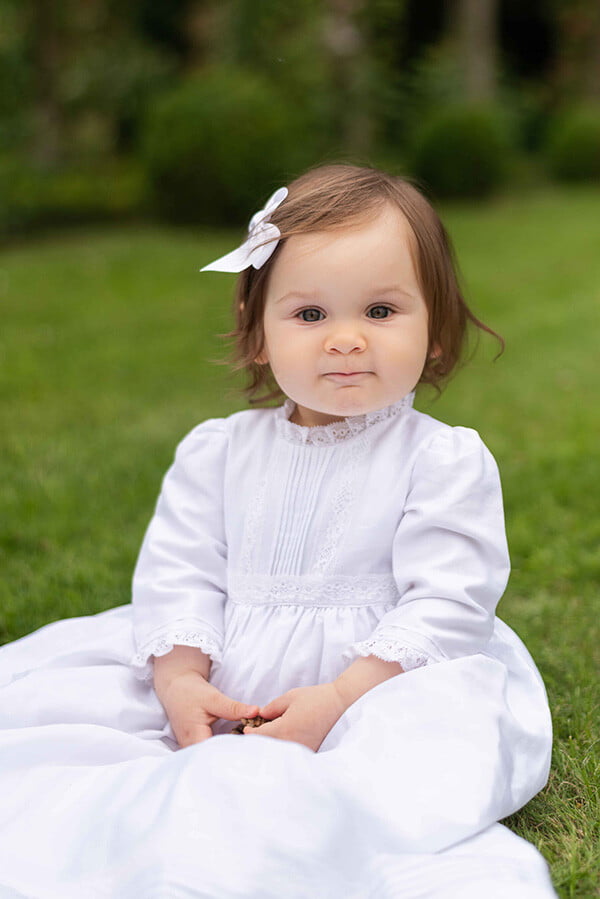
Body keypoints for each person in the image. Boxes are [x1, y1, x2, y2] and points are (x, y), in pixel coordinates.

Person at [0, 164, 557, 898]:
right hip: (228, 665)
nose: (347, 340)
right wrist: (180, 680)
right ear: (256, 332)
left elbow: (450, 604)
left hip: (383, 679)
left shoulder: (440, 460)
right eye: (311, 314)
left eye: (382, 311)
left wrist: (337, 697)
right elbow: (180, 573)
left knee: (374, 780)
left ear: (437, 327)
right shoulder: (220, 452)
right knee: (64, 750)